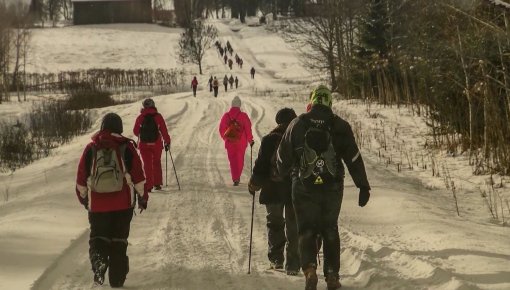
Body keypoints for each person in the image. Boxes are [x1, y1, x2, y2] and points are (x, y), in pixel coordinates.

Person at [276, 85, 371, 290]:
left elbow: (283, 155)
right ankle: (332, 276)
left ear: (313, 100)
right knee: (330, 228)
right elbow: (353, 158)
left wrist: (282, 174)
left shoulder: (297, 123)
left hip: (303, 186)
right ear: (329, 102)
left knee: (306, 229)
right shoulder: (340, 125)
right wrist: (363, 186)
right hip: (332, 187)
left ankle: (310, 270)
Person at [75, 113, 148, 287]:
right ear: (120, 128)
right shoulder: (127, 147)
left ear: (102, 127)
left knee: (99, 237)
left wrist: (85, 200)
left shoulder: (91, 148)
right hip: (123, 205)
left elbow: (81, 179)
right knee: (119, 241)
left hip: (98, 206)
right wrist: (142, 198)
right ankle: (117, 280)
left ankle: (99, 264)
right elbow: (138, 177)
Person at [248, 108, 299, 276]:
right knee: (294, 225)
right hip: (294, 189)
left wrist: (254, 184)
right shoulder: (299, 138)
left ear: (278, 121)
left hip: (273, 188)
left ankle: (276, 260)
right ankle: (293, 263)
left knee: (275, 223)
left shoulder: (269, 139)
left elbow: (261, 165)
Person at [133, 98, 171, 192]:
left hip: (144, 145)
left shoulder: (141, 117)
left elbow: (135, 131)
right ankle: (157, 184)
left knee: (147, 164)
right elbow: (164, 131)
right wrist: (167, 142)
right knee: (156, 162)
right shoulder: (158, 116)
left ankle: (149, 186)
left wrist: (142, 133)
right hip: (156, 144)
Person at [219, 96, 254, 186]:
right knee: (240, 160)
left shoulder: (226, 116)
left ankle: (235, 178)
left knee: (233, 161)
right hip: (241, 143)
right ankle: (237, 176)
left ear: (232, 105)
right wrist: (250, 140)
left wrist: (226, 138)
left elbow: (221, 129)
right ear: (239, 105)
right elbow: (248, 129)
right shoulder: (243, 116)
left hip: (230, 143)